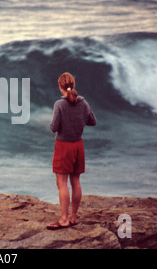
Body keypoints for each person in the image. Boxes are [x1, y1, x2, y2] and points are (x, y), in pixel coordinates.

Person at [47, 72, 97, 230]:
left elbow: (53, 127)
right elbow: (93, 121)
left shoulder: (59, 104)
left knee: (61, 183)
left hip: (64, 146)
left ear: (60, 86)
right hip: (78, 145)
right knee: (75, 181)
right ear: (73, 85)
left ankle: (64, 219)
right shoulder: (83, 102)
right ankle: (73, 217)